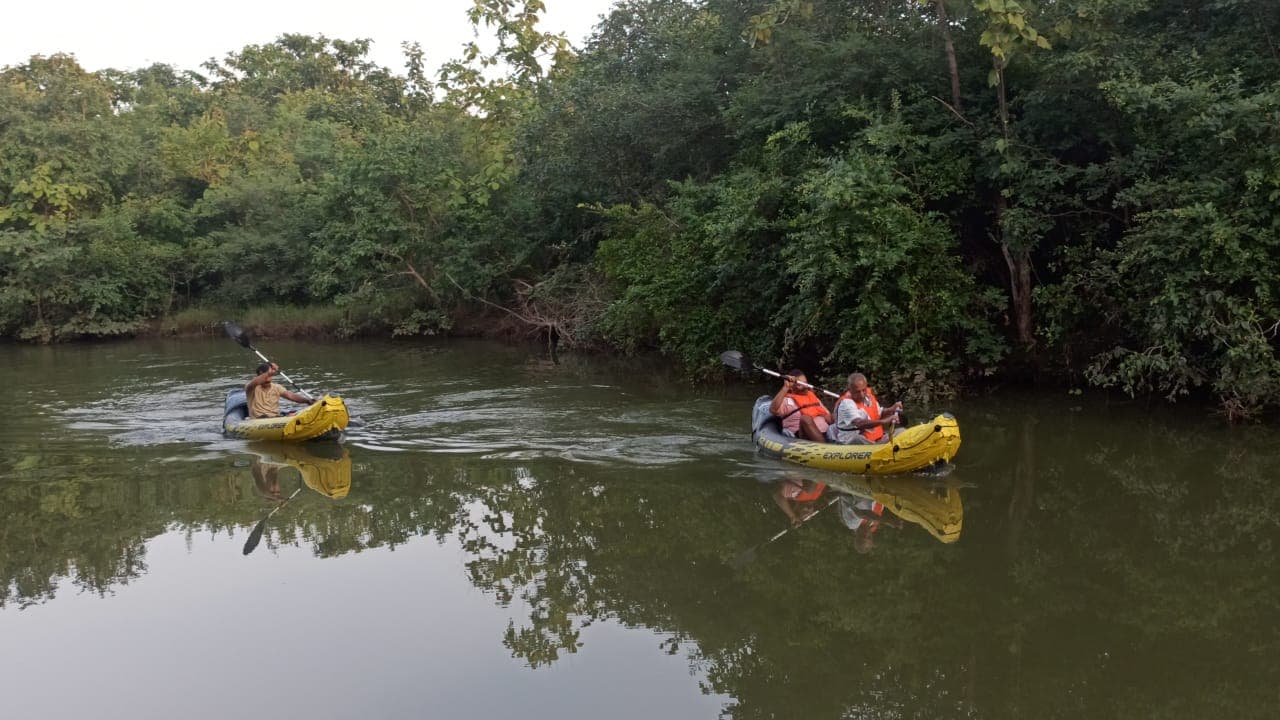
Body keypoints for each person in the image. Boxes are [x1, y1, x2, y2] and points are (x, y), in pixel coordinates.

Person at [826, 373, 904, 445]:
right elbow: (859, 423)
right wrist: (885, 421)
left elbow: (879, 413)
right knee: (857, 439)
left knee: (901, 431)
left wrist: (892, 408)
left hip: (874, 440)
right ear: (850, 390)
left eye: (864, 390)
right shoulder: (846, 404)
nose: (862, 394)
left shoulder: (868, 398)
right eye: (857, 392)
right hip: (853, 442)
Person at [769, 369, 832, 442]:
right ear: (792, 386)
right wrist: (786, 387)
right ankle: (824, 447)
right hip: (803, 436)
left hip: (825, 432)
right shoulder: (787, 401)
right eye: (800, 384)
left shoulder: (813, 398)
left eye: (805, 383)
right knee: (805, 418)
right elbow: (773, 410)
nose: (805, 386)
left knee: (832, 416)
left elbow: (828, 415)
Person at [245, 362, 311, 419]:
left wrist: (307, 401)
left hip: (275, 417)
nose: (267, 379)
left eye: (270, 376)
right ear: (258, 376)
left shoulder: (277, 387)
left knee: (293, 414)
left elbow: (291, 396)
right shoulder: (251, 387)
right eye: (264, 376)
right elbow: (256, 382)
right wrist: (270, 372)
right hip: (259, 419)